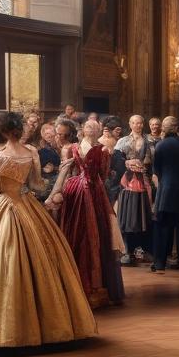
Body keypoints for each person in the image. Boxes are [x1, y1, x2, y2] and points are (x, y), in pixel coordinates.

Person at [0, 112, 96, 348]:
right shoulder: (31, 152)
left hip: (1, 207)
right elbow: (36, 185)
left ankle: (3, 329)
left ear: (0, 132)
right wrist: (60, 174)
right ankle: (47, 326)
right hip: (27, 206)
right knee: (42, 261)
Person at [50, 118, 125, 307]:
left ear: (99, 130)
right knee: (77, 232)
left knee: (99, 233)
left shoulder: (104, 150)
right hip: (76, 193)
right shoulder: (71, 148)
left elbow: (105, 174)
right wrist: (56, 193)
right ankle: (75, 285)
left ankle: (98, 285)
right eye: (88, 127)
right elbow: (65, 171)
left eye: (95, 127)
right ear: (82, 129)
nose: (91, 129)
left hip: (96, 192)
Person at [151, 117, 179, 273]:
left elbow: (156, 169)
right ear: (177, 127)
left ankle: (160, 264)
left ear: (164, 128)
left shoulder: (161, 145)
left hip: (166, 189)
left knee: (163, 226)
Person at [115, 115, 154, 264]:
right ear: (130, 124)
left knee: (143, 215)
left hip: (143, 182)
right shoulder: (122, 141)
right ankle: (127, 250)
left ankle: (142, 248)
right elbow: (116, 161)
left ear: (143, 124)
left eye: (139, 123)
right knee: (127, 215)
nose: (137, 125)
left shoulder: (148, 141)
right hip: (127, 182)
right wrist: (127, 163)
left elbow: (151, 162)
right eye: (134, 123)